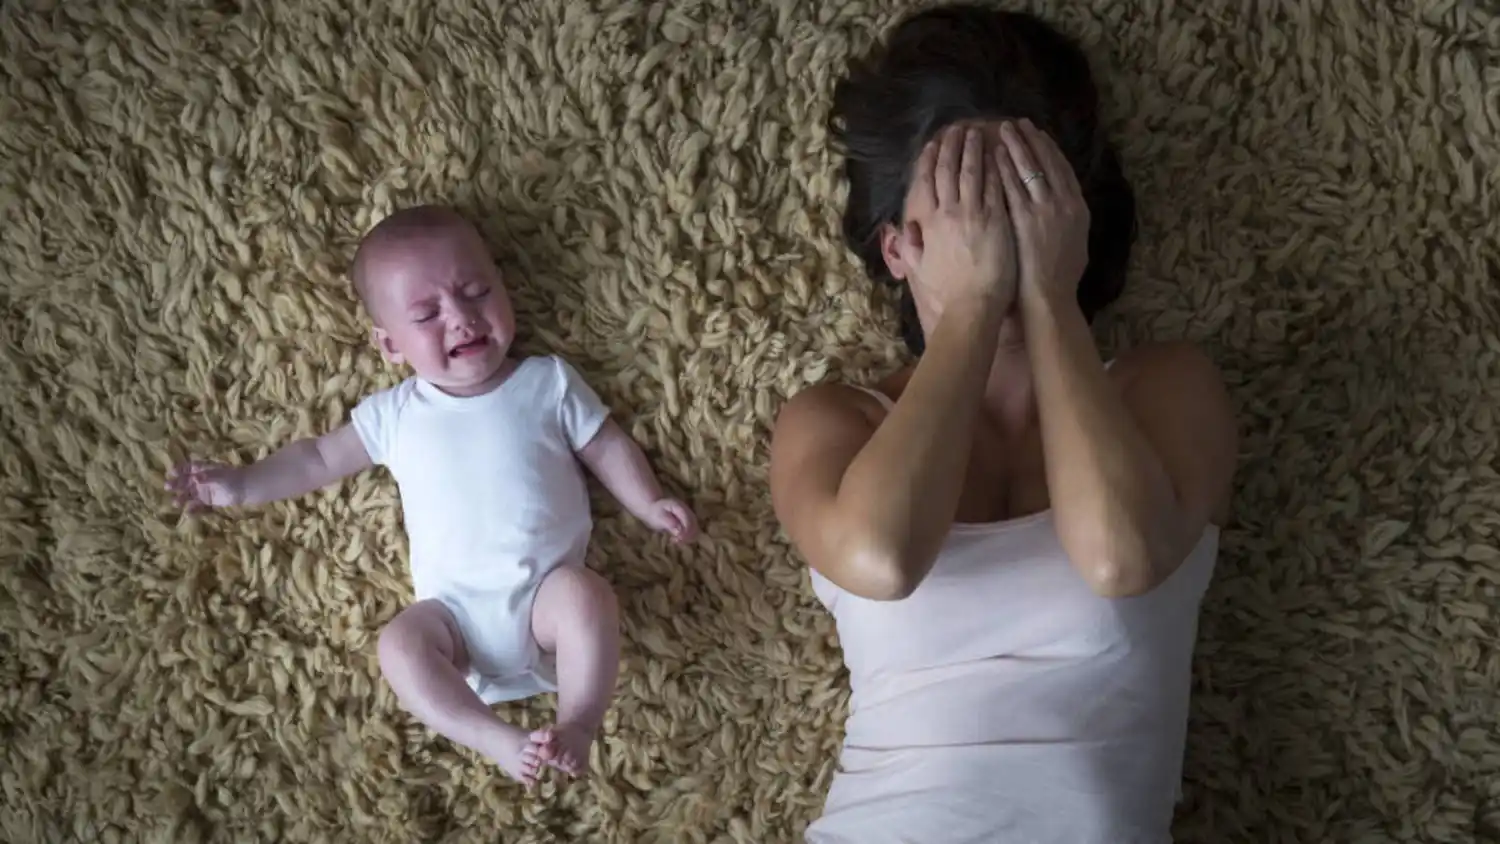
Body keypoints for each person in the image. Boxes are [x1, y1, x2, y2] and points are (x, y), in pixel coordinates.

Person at [770, 6, 1237, 842]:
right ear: (896, 249)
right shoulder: (831, 420)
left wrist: (1049, 299)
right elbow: (881, 555)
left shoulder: (1164, 387)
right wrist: (975, 308)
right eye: (966, 207)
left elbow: (1122, 554)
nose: (1001, 233)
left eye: (1026, 197)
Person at [166, 206, 698, 788]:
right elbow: (318, 458)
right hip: (454, 627)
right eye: (427, 314)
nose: (462, 318)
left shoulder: (545, 382)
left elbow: (604, 445)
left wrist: (647, 502)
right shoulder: (396, 414)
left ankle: (577, 725)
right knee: (398, 645)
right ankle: (491, 736)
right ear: (391, 345)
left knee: (588, 596)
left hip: (546, 603)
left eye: (476, 291)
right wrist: (242, 485)